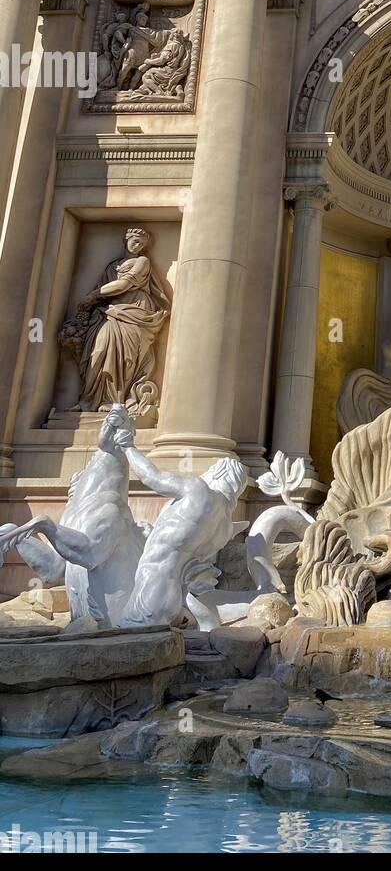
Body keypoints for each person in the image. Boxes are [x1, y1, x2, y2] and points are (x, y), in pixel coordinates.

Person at [114, 419, 248, 628]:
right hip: (178, 596)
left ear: (218, 472)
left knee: (130, 647)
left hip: (152, 586)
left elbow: (152, 477)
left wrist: (128, 447)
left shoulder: (198, 490)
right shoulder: (225, 527)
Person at [67, 228, 170, 412]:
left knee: (125, 357)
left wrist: (92, 295)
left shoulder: (142, 262)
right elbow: (104, 291)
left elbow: (123, 284)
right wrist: (93, 300)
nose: (137, 245)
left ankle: (114, 399)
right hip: (110, 311)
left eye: (141, 244)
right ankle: (89, 400)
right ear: (126, 240)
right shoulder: (112, 266)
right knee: (98, 351)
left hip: (135, 311)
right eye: (135, 241)